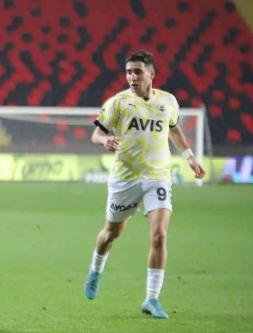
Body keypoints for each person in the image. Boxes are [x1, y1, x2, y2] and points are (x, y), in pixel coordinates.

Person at [84, 50, 206, 319]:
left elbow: (173, 129)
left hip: (158, 177)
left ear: (151, 74)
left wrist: (189, 157)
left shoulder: (168, 101)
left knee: (160, 234)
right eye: (128, 72)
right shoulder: (118, 102)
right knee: (110, 235)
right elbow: (97, 133)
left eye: (137, 71)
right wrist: (104, 141)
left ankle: (152, 298)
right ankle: (96, 270)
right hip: (125, 179)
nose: (132, 77)